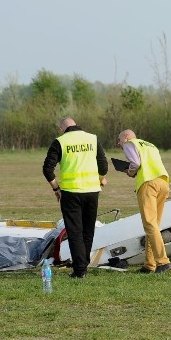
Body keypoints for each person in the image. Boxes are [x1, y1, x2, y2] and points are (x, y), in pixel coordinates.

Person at [43, 117, 109, 278]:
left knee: (75, 232)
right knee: (88, 231)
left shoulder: (60, 141)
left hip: (70, 192)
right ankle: (83, 264)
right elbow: (104, 166)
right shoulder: (92, 138)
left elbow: (47, 169)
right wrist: (101, 177)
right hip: (92, 192)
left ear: (61, 129)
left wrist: (56, 189)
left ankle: (80, 270)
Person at [118, 129, 171, 273]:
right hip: (163, 182)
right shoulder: (150, 145)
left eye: (119, 140)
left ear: (127, 136)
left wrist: (129, 171)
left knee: (149, 224)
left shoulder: (130, 143)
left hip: (148, 184)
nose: (119, 144)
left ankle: (163, 262)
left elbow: (135, 163)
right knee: (154, 225)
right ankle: (150, 264)